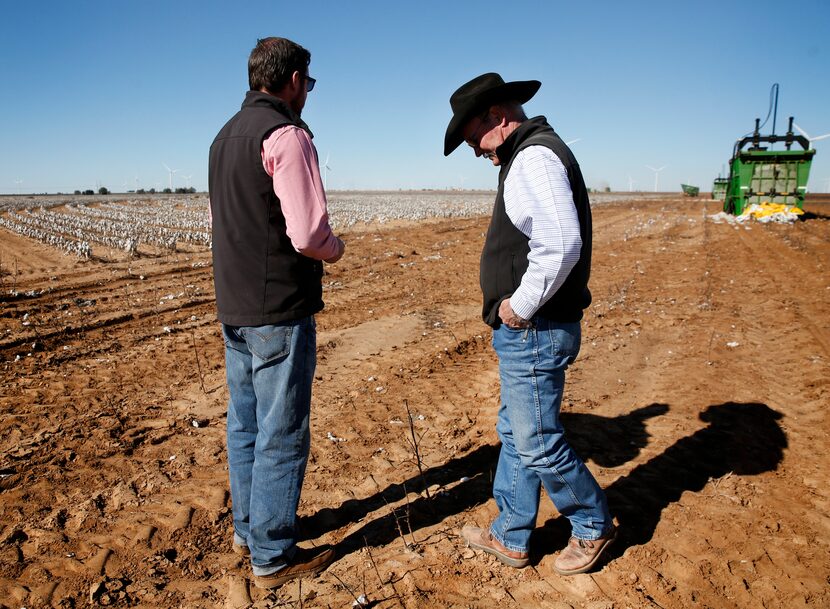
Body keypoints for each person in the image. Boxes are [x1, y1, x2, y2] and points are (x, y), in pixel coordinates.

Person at [443, 73, 616, 575]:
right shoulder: (530, 154)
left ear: (496, 118)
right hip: (533, 330)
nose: (477, 151)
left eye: (473, 138)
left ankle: (591, 524)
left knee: (536, 437)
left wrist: (518, 306)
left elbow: (560, 243)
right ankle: (512, 534)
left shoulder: (534, 158)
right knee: (516, 432)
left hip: (535, 329)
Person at [208, 37, 344, 590]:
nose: (307, 94)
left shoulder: (223, 136)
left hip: (234, 304)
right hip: (277, 308)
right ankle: (272, 554)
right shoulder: (285, 134)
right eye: (307, 84)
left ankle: (249, 529)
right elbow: (308, 233)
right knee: (281, 430)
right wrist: (335, 248)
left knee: (244, 423)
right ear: (292, 80)